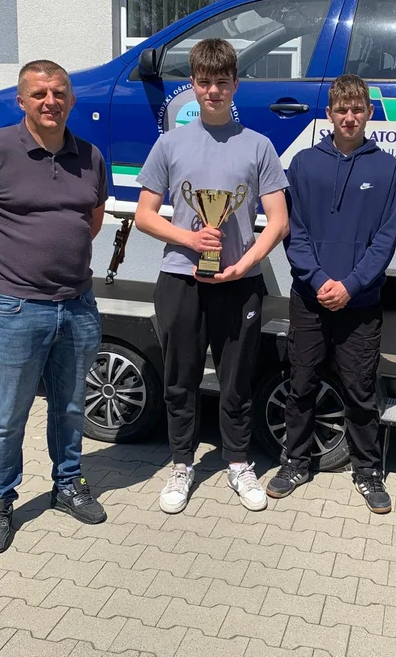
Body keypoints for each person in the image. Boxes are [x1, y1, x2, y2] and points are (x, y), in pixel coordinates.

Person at [0, 59, 108, 554]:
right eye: (39, 94)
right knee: (8, 416)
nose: (50, 102)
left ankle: (68, 484)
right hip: (15, 309)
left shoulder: (90, 156)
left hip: (76, 305)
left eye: (58, 93)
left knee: (71, 407)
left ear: (71, 99)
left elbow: (92, 218)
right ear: (22, 101)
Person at [134, 37, 290, 515]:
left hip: (239, 282)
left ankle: (238, 462)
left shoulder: (259, 146)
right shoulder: (169, 143)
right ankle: (182, 464)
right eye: (205, 82)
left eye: (222, 82)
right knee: (179, 379)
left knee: (236, 380)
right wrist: (189, 238)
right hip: (180, 279)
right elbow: (144, 216)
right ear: (193, 85)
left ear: (235, 84)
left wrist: (247, 263)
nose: (214, 91)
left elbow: (278, 221)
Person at [267, 74, 396, 513]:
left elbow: (385, 240)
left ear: (369, 113)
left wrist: (350, 285)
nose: (349, 117)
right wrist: (319, 279)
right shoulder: (304, 164)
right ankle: (295, 462)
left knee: (361, 390)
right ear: (329, 113)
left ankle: (367, 470)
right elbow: (294, 231)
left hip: (360, 304)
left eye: (357, 109)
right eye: (341, 109)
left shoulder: (386, 168)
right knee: (301, 384)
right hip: (310, 299)